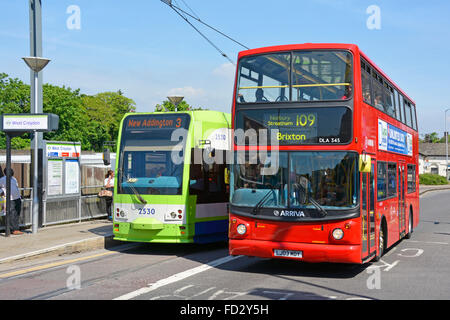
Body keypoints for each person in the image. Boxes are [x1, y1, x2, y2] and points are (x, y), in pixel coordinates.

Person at [0, 168, 23, 235]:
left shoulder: (14, 179)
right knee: (12, 214)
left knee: (17, 213)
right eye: (10, 171)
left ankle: (16, 228)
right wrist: (2, 191)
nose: (12, 172)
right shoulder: (2, 179)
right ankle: (14, 229)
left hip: (17, 198)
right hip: (10, 199)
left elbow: (16, 187)